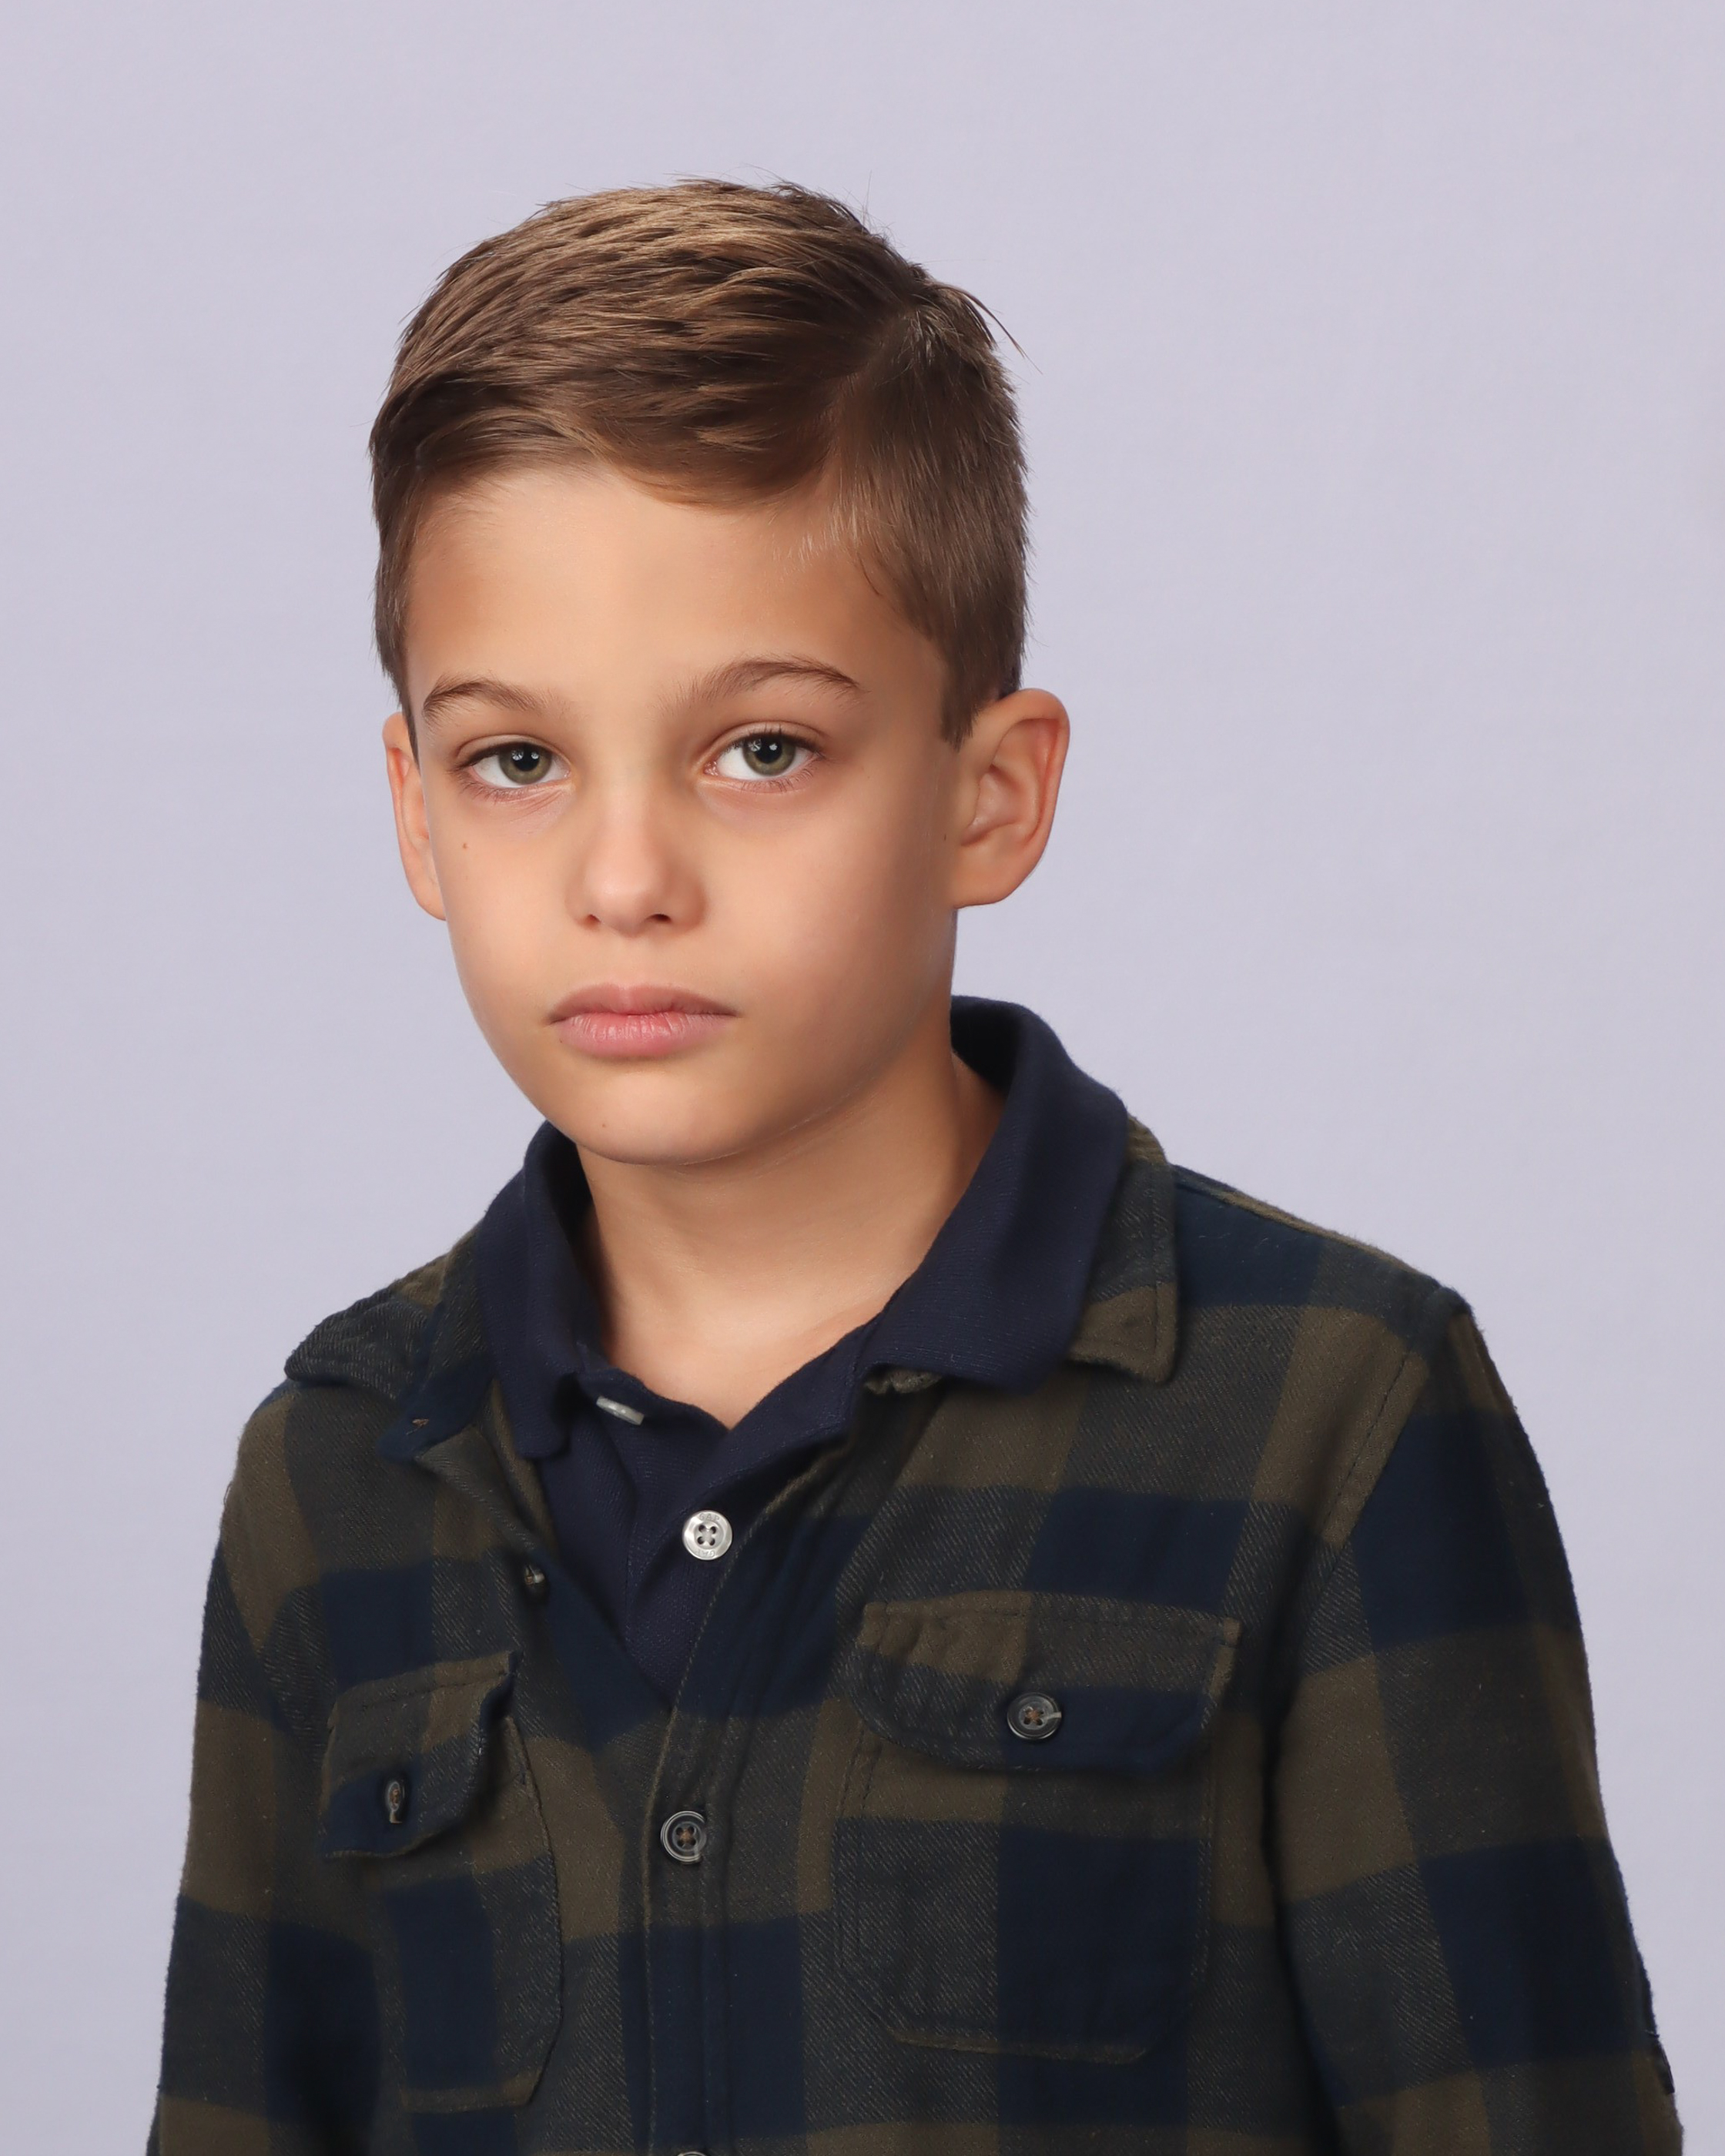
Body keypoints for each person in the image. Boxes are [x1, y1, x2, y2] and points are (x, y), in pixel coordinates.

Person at [149, 179, 1680, 2155]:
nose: (626, 879)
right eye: (516, 760)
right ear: (414, 813)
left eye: (760, 750)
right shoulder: (337, 1470)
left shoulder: (1329, 1419)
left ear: (990, 793)